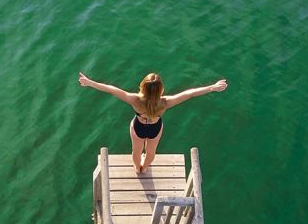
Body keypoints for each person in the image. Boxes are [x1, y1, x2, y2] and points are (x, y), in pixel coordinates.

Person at [78, 71, 228, 173]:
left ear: (142, 86)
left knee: (136, 151)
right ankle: (145, 168)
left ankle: (138, 169)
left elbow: (112, 89)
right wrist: (212, 87)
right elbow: (189, 94)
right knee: (151, 151)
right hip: (155, 128)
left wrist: (90, 82)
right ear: (160, 89)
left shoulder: (135, 99)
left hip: (138, 127)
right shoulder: (165, 102)